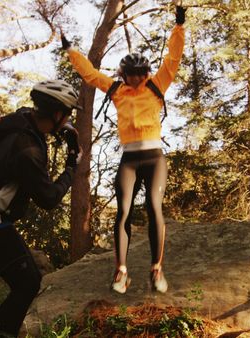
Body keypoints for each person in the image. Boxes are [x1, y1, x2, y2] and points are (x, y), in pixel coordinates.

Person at [61, 2, 186, 294]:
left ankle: (156, 270)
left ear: (145, 73)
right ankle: (121, 272)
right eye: (131, 75)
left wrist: (179, 25)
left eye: (140, 74)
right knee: (123, 213)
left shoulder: (157, 86)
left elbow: (173, 58)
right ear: (124, 74)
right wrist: (71, 51)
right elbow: (91, 75)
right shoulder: (117, 91)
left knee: (154, 207)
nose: (137, 79)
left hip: (154, 157)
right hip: (129, 159)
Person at [0, 80, 82, 337]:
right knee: (27, 284)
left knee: (22, 281)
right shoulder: (28, 151)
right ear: (57, 114)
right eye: (67, 114)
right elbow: (48, 199)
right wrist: (71, 168)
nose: (69, 119)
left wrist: (63, 128)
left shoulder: (21, 118)